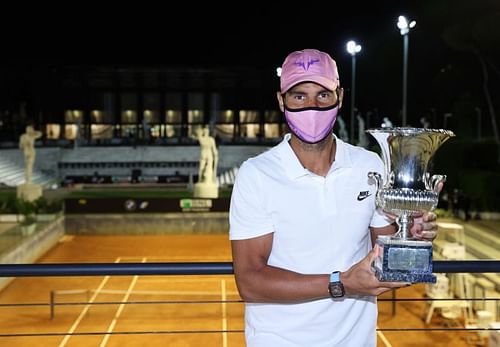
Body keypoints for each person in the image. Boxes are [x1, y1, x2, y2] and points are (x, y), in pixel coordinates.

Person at [229, 48, 439, 346]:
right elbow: (250, 282)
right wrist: (341, 283)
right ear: (281, 100)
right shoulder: (256, 174)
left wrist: (412, 235)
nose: (311, 107)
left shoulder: (370, 166)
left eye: (323, 95)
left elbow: (385, 260)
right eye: (299, 96)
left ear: (339, 97)